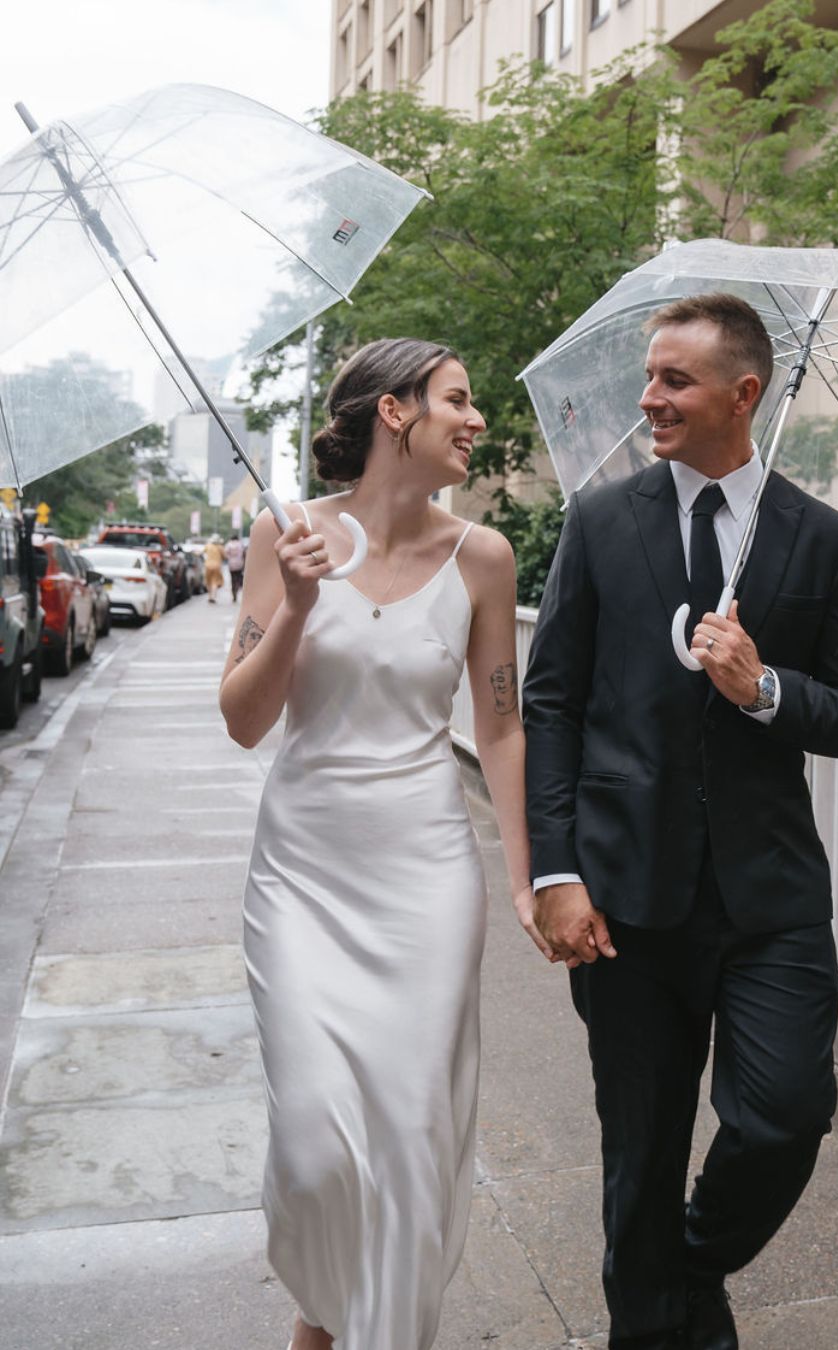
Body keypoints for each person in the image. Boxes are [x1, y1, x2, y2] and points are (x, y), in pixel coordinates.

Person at [522, 293, 838, 1350]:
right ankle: (661, 1324)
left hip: (768, 900)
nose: (650, 399)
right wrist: (557, 870)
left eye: (675, 381)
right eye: (649, 378)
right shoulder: (599, 521)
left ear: (744, 393)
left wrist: (765, 687)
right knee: (639, 1152)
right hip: (625, 903)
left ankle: (684, 1266)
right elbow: (552, 702)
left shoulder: (819, 537)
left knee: (783, 1118)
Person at [220, 338, 545, 1350]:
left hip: (428, 879)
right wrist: (299, 610)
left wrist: (532, 883)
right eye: (460, 398)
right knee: (316, 1146)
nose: (478, 418)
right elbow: (241, 719)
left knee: (409, 1140)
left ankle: (375, 1333)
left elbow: (499, 726)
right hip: (303, 878)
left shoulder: (483, 557)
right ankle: (328, 1308)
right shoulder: (289, 540)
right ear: (395, 413)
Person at [224, 531, 246, 601]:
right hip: (239, 564)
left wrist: (230, 558)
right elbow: (244, 554)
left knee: (233, 579)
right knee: (239, 578)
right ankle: (237, 589)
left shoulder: (228, 544)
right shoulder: (240, 544)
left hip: (231, 564)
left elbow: (225, 555)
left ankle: (234, 593)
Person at [203, 534, 225, 603]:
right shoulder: (220, 547)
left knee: (208, 581)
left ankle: (209, 596)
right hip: (217, 566)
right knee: (215, 582)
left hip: (208, 565)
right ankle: (214, 597)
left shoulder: (208, 546)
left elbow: (202, 552)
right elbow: (224, 557)